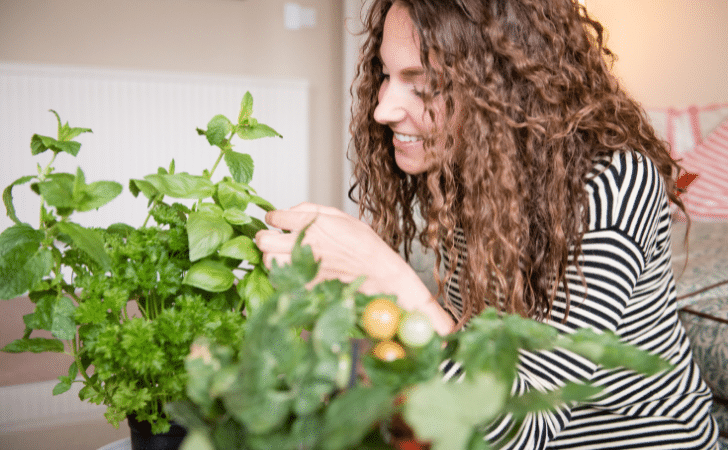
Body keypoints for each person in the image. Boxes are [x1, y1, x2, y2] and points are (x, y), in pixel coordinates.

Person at [255, 0, 719, 448]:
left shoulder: (615, 182)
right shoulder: (479, 178)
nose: (382, 110)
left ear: (506, 88)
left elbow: (520, 424)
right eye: (385, 75)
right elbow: (469, 348)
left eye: (424, 84)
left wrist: (389, 276)